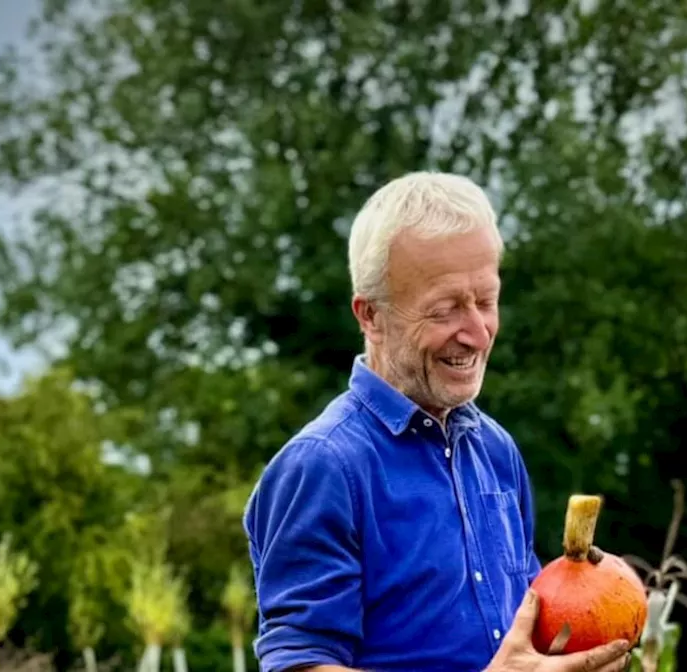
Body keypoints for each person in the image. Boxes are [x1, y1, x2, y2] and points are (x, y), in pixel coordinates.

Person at [242, 172, 633, 672]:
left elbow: (524, 639)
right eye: (445, 310)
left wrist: (585, 621)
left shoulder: (496, 450)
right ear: (371, 317)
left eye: (486, 301)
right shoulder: (322, 466)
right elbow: (300, 664)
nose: (476, 333)